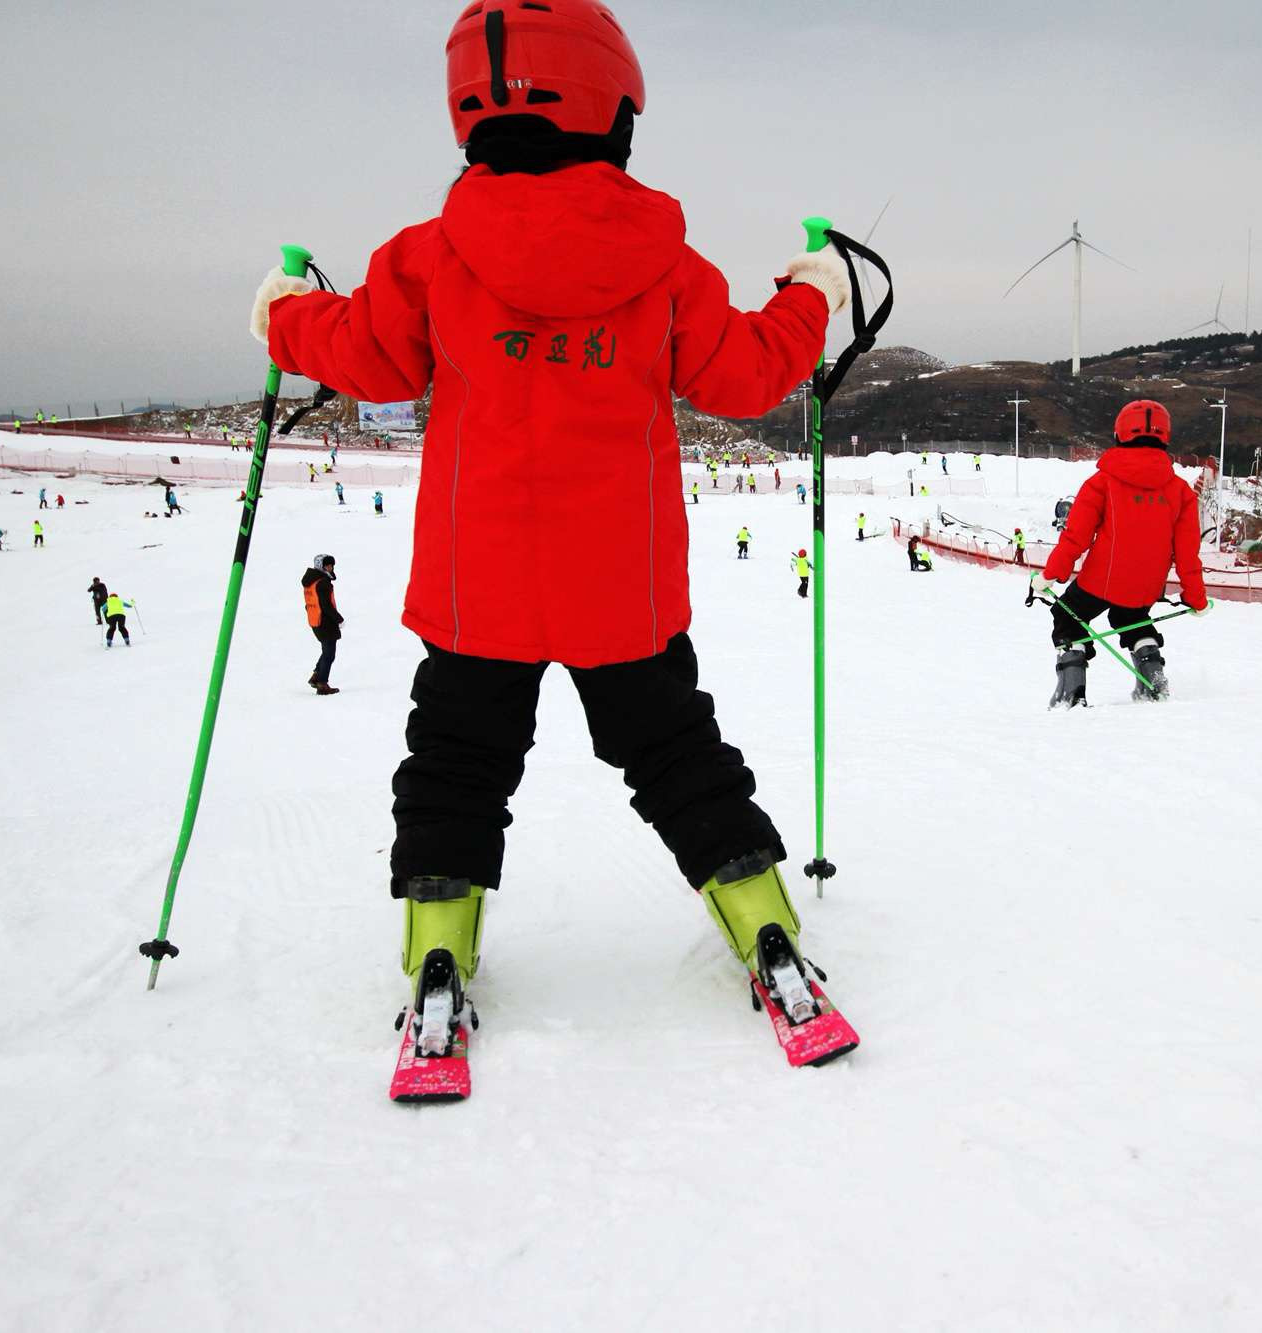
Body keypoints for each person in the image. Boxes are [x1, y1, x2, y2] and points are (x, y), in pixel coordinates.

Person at [249, 0, 849, 1050]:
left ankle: (437, 953)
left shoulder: (428, 255)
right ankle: (763, 927)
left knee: (455, 763)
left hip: (475, 585)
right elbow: (748, 373)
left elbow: (366, 355)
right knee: (675, 754)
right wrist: (811, 297)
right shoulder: (661, 261)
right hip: (623, 589)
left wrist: (283, 312)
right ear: (613, 104)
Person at [1041, 399, 1208, 707]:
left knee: (1067, 617)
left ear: (1119, 435)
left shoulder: (1101, 482)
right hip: (1146, 586)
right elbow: (1187, 554)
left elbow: (1075, 537)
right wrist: (1196, 598)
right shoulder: (1181, 492)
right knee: (1130, 616)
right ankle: (1152, 679)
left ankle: (1071, 693)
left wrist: (1051, 575)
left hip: (1099, 581)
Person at [302, 554, 344, 695]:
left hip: (315, 620)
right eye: (327, 565)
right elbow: (326, 605)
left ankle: (316, 676)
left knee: (326, 651)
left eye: (331, 565)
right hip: (325, 622)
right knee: (329, 654)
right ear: (321, 566)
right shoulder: (323, 583)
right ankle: (322, 684)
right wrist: (339, 619)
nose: (330, 568)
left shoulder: (311, 581)